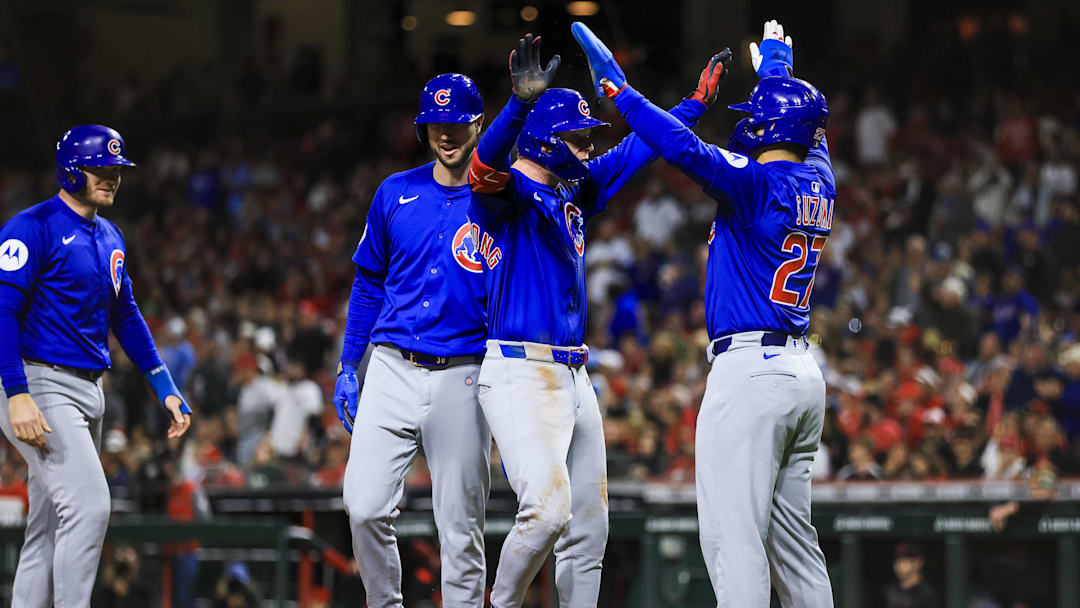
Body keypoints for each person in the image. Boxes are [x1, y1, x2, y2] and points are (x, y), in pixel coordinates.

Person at [573, 20, 834, 606]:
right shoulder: (820, 176)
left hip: (752, 375)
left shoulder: (755, 186)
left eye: (757, 114)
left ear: (769, 125)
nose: (748, 121)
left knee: (733, 539)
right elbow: (809, 131)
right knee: (795, 543)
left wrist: (618, 91)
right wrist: (777, 73)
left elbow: (681, 146)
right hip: (800, 375)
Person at [467, 34, 724, 608]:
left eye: (587, 138)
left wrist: (692, 108)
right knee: (548, 510)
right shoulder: (511, 189)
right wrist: (516, 106)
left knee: (589, 528)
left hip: (573, 375)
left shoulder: (574, 187)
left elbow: (639, 149)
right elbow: (482, 169)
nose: (587, 147)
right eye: (577, 138)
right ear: (544, 138)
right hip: (517, 368)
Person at [332, 45, 556, 606]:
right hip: (390, 366)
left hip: (463, 372)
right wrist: (347, 364)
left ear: (478, 125)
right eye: (435, 124)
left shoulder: (505, 198)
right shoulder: (394, 191)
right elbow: (367, 284)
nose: (446, 134)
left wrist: (520, 109)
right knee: (362, 506)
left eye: (457, 123)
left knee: (460, 531)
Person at [0, 124, 193, 607]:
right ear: (70, 170)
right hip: (40, 383)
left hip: (89, 390)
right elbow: (2, 311)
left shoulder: (110, 234)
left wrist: (162, 383)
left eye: (117, 169)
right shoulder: (31, 226)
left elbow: (125, 315)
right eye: (101, 169)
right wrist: (15, 392)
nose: (112, 177)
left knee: (47, 526)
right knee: (89, 506)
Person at [883, 543, 939, 608]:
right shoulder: (889, 591)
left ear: (918, 562)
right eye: (896, 560)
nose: (898, 564)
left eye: (903, 560)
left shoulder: (928, 594)